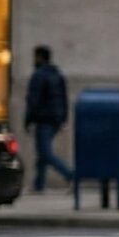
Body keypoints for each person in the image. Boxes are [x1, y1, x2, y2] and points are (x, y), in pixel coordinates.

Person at [25, 45, 74, 193]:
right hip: (55, 119)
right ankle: (39, 185)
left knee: (45, 153)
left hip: (43, 119)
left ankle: (71, 175)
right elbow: (64, 98)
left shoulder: (39, 75)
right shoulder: (57, 74)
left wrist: (27, 120)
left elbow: (33, 100)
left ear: (39, 57)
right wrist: (63, 118)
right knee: (42, 153)